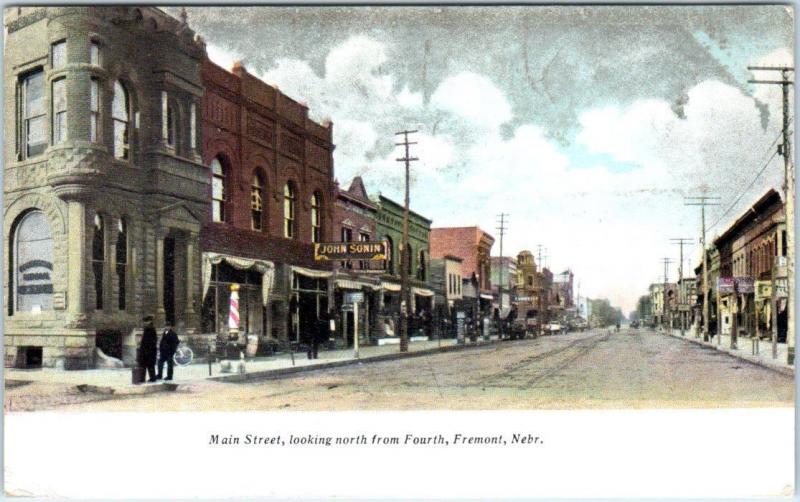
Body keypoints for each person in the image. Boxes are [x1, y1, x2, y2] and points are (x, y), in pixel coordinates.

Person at [138, 315, 158, 382]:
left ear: (149, 321)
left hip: (148, 351)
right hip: (148, 351)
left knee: (145, 365)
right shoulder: (148, 328)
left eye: (146, 321)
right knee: (148, 365)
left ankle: (144, 379)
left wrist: (145, 350)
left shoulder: (150, 329)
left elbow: (150, 341)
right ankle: (151, 378)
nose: (144, 323)